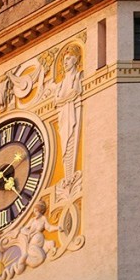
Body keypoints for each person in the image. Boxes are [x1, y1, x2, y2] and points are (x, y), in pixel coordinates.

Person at [54, 51, 83, 182]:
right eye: (64, 60)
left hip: (72, 110)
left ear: (75, 60)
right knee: (65, 143)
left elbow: (74, 92)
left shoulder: (78, 76)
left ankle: (70, 177)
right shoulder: (61, 84)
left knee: (70, 141)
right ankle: (68, 177)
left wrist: (63, 98)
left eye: (68, 59)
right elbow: (57, 100)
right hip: (63, 114)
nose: (65, 62)